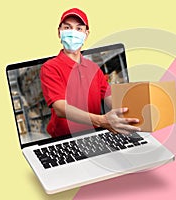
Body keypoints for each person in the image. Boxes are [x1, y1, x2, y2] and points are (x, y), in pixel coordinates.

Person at [40, 8, 140, 137]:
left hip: (94, 135)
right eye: (67, 27)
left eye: (79, 29)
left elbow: (111, 99)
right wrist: (101, 120)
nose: (72, 32)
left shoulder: (94, 69)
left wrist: (132, 112)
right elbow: (60, 108)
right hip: (64, 138)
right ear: (59, 32)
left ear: (86, 34)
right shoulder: (50, 67)